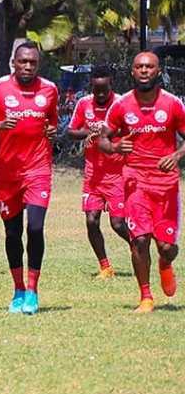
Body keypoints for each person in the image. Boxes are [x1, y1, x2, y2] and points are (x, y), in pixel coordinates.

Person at [0, 41, 58, 315]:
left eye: (33, 62)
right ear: (14, 63)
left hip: (38, 170)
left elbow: (53, 121)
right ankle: (18, 289)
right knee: (13, 233)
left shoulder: (49, 89)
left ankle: (32, 290)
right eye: (23, 61)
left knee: (35, 228)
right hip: (8, 174)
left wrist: (53, 130)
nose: (28, 66)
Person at [99, 52, 184, 312]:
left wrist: (177, 155)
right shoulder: (121, 105)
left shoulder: (173, 104)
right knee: (139, 240)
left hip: (166, 184)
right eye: (139, 67)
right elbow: (102, 139)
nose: (144, 70)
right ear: (132, 72)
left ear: (158, 71)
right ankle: (146, 297)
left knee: (166, 247)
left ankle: (165, 263)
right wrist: (115, 147)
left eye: (149, 66)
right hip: (135, 181)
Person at [67, 64, 130, 278]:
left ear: (111, 83)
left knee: (118, 224)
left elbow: (132, 133)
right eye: (96, 90)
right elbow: (71, 132)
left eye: (104, 89)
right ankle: (105, 267)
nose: (101, 94)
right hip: (93, 175)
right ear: (91, 86)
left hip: (118, 174)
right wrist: (88, 132)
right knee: (91, 220)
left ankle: (139, 247)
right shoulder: (84, 103)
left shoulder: (122, 104)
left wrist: (107, 135)